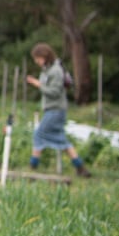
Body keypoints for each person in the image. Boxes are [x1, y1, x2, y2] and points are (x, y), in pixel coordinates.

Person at [25, 42, 90, 178]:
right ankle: (80, 167)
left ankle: (33, 165)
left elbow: (54, 91)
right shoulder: (48, 70)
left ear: (44, 56)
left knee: (39, 134)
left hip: (56, 109)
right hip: (52, 109)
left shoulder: (55, 71)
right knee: (61, 138)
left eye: (37, 58)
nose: (36, 61)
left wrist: (38, 84)